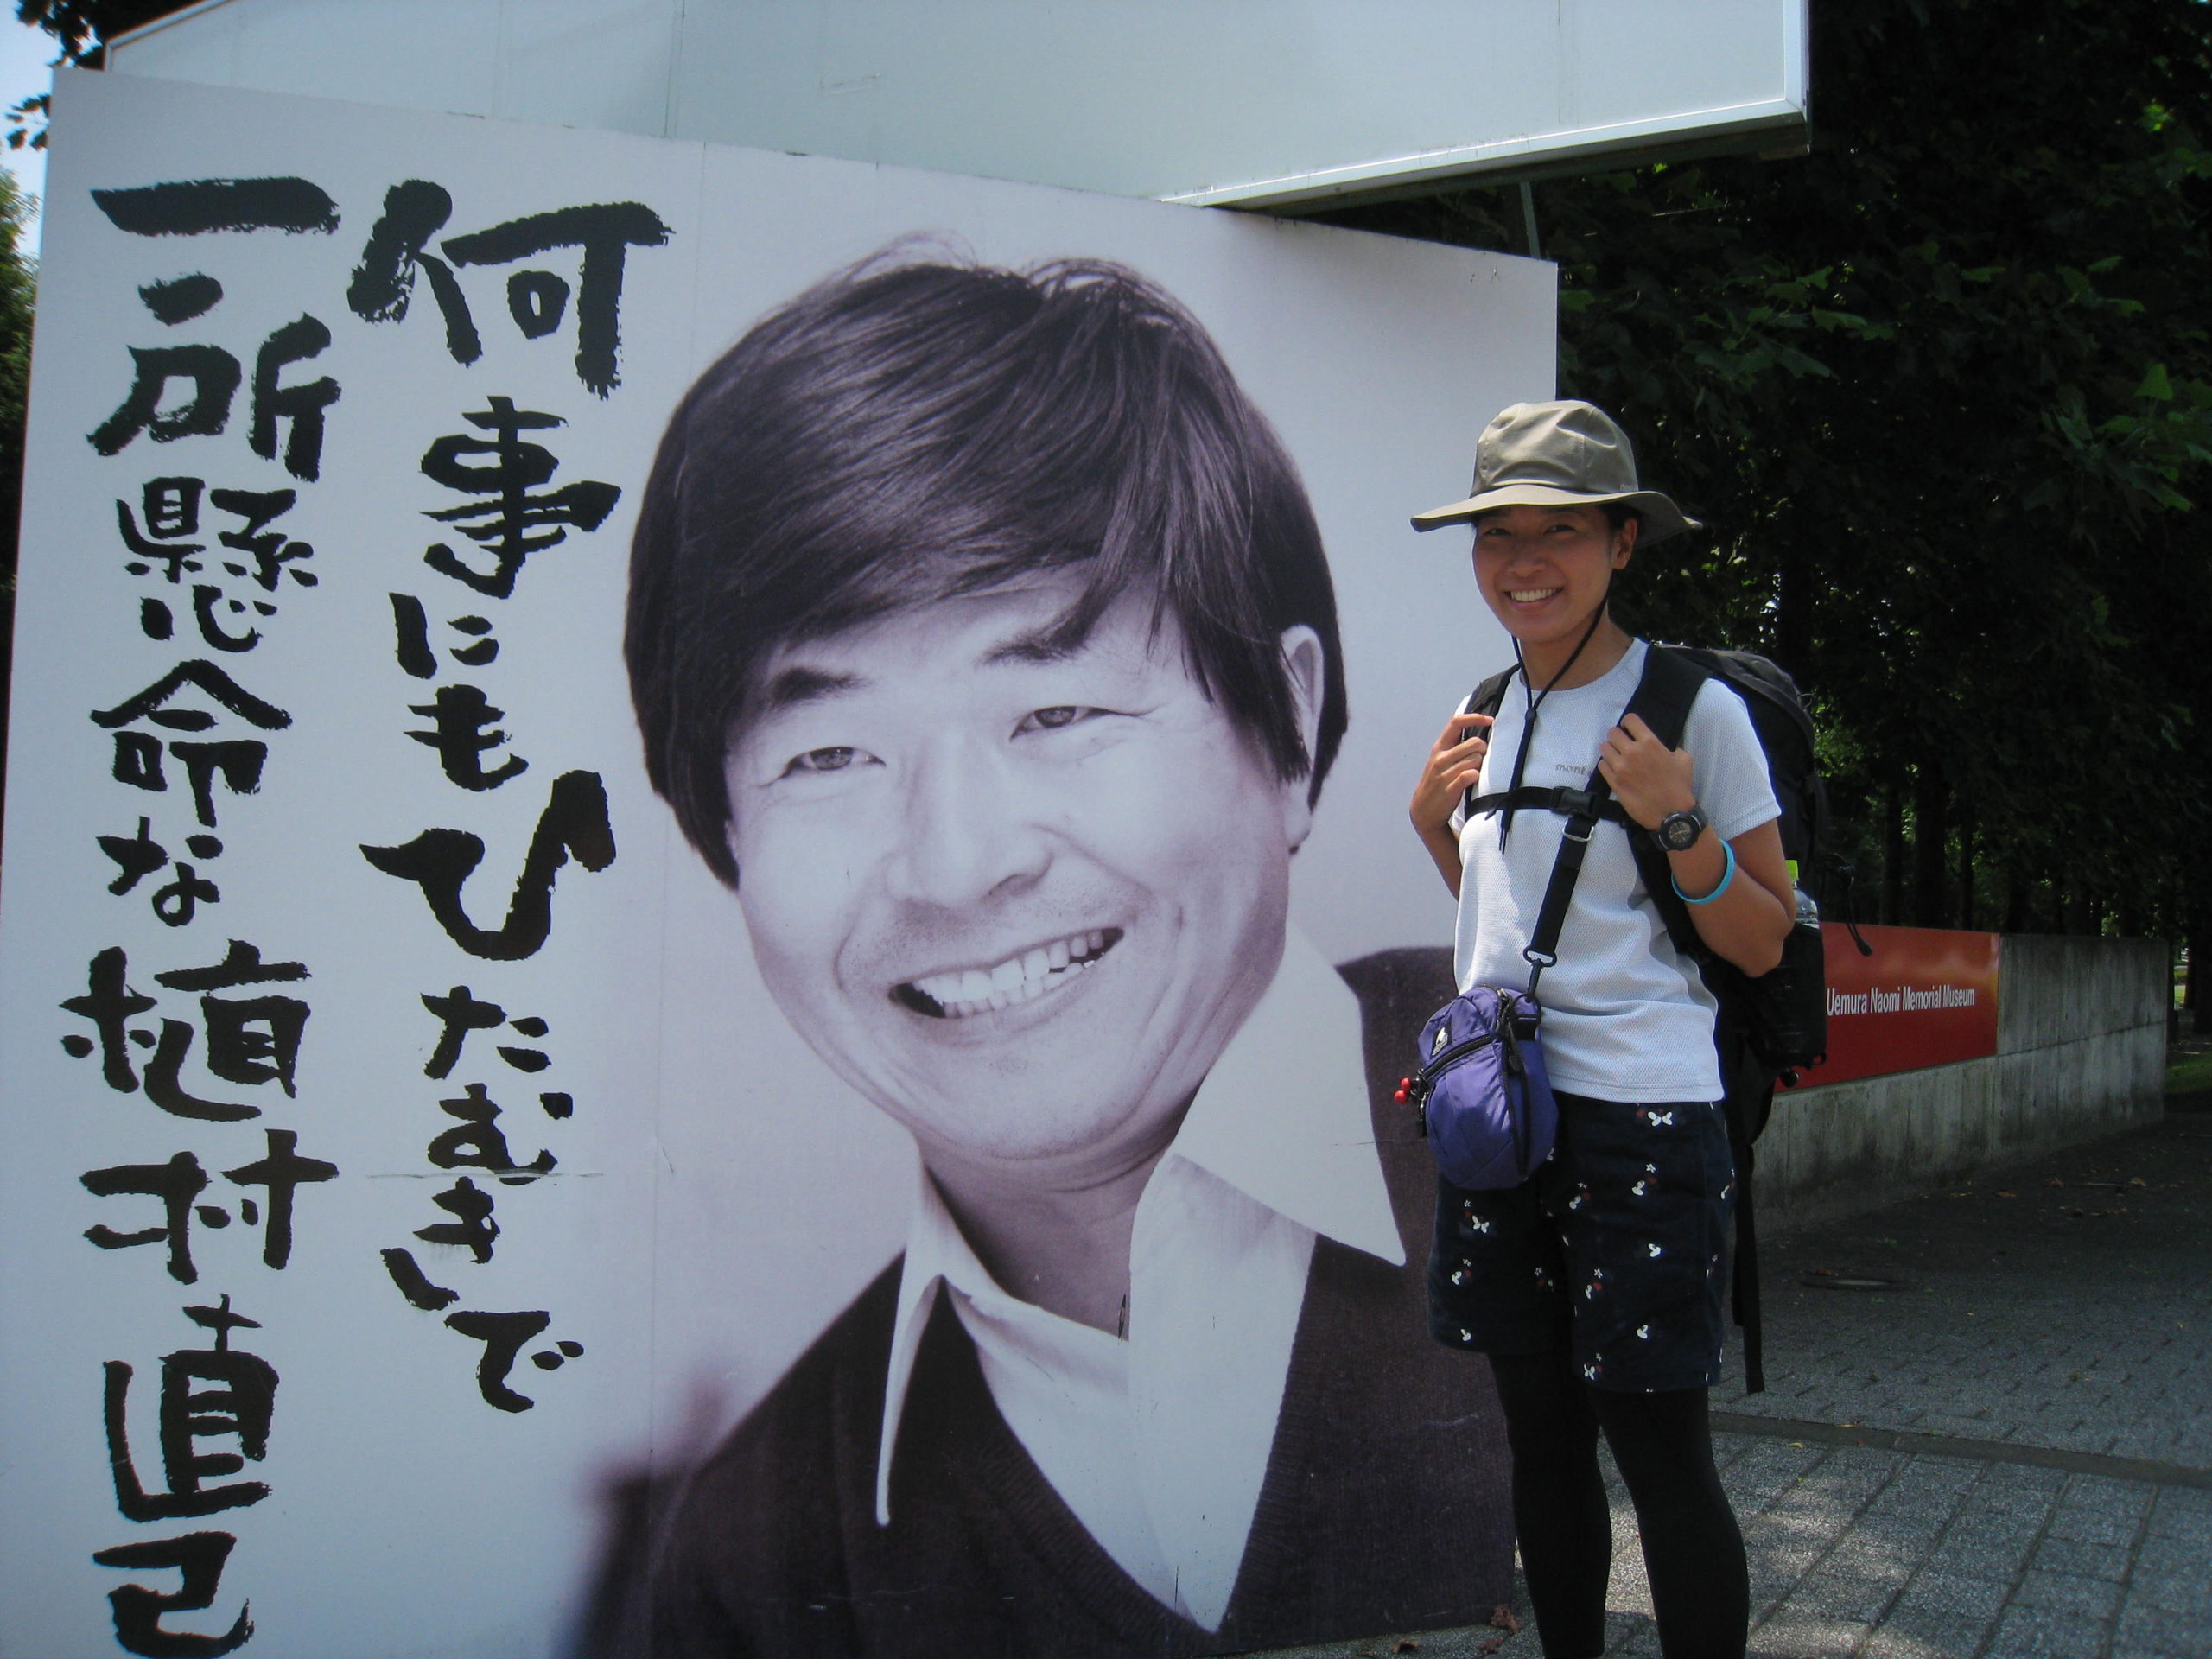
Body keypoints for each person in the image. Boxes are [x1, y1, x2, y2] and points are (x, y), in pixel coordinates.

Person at [611, 250, 1514, 1656]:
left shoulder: (1531, 1104)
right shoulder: (751, 1544)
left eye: (1059, 711)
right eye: (829, 750)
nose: (960, 863)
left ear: (1284, 723)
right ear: (723, 830)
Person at [1406, 400, 1794, 1659]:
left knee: (1661, 1455)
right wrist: (1429, 822)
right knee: (1540, 1439)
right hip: (1501, 1118)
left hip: (1645, 1122)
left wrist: (1680, 825)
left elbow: (1760, 939)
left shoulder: (1690, 711)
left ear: (1623, 543)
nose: (1523, 561)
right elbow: (1505, 920)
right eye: (1496, 534)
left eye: (1557, 532)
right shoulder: (1482, 708)